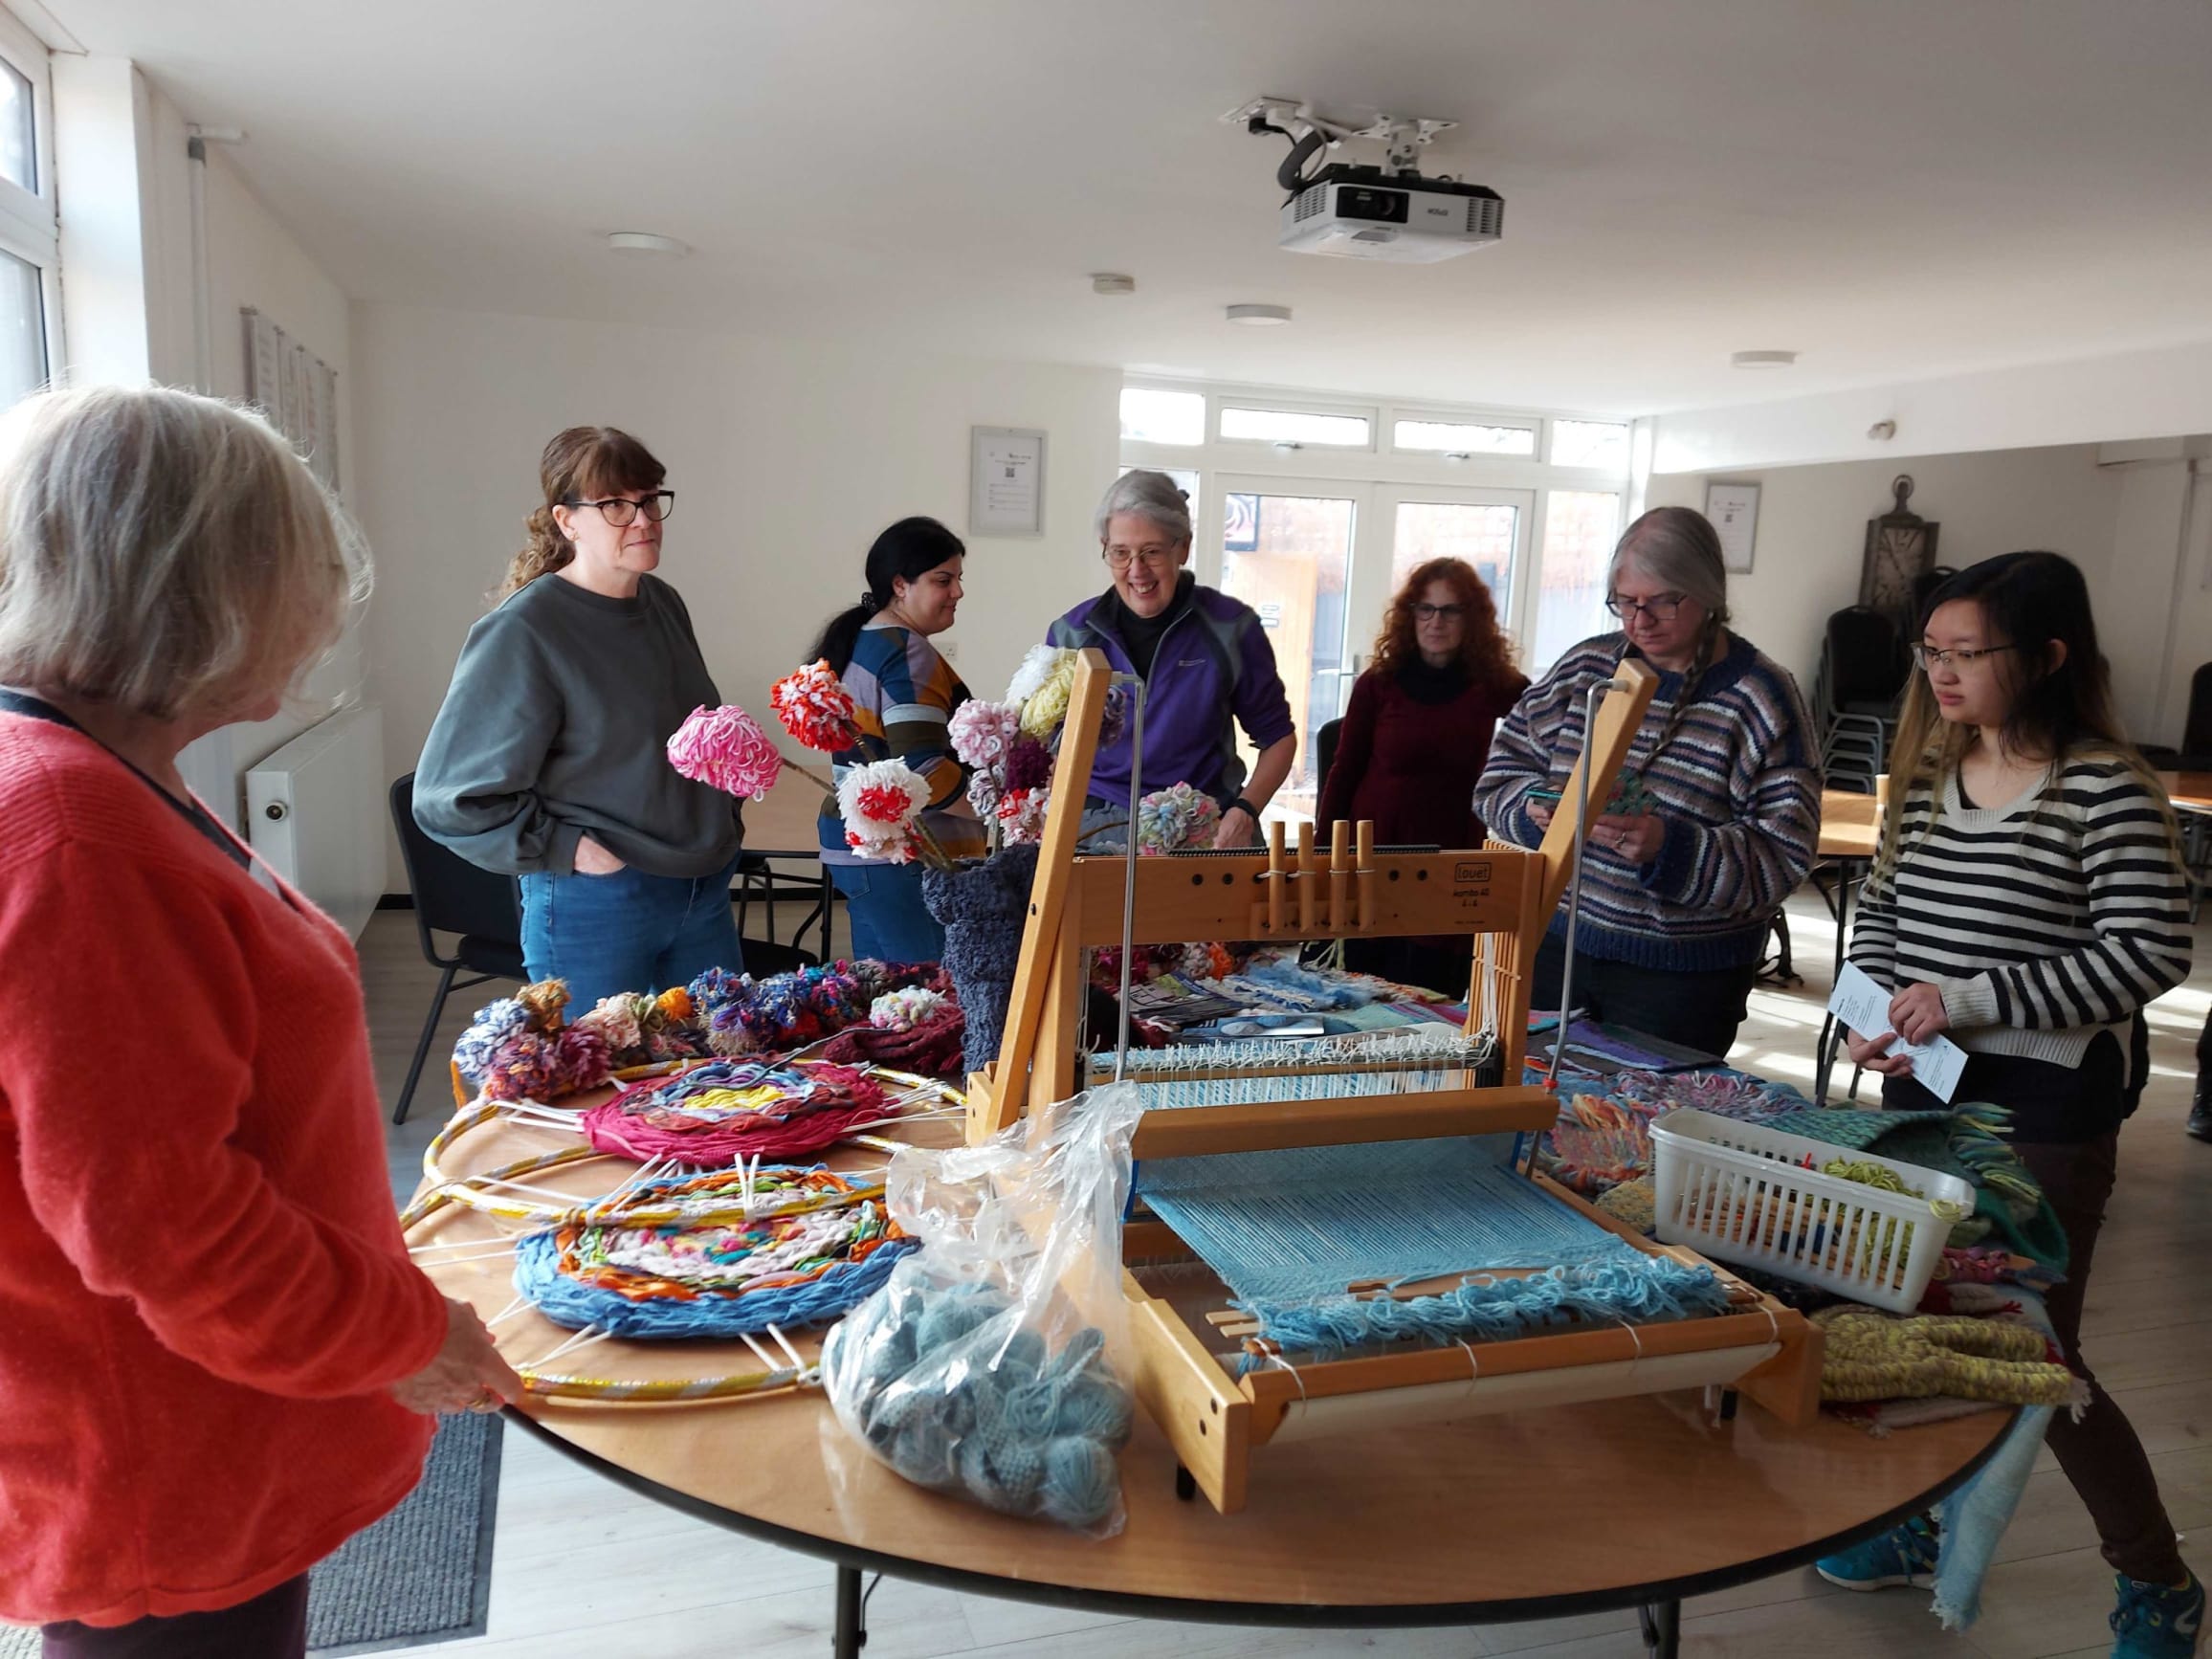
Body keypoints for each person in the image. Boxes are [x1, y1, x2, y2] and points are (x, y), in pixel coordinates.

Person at [0, 386, 521, 1658]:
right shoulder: (77, 834)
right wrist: (405, 1331)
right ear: (201, 587)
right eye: (291, 570)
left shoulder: (105, 777)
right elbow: (170, 1222)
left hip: (205, 1435)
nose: (322, 612)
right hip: (162, 1467)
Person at [1819, 552, 2201, 1650]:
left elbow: (2147, 951)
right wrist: (1883, 1009)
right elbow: (1882, 907)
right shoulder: (1931, 770)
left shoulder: (2101, 785)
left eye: (1963, 653)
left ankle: (2154, 1579)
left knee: (2037, 1353)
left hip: (2044, 1102)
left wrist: (1966, 1000)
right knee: (1914, 1319)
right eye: (1928, 652)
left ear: (2042, 658)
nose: (1937, 673)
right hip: (1930, 1083)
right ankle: (1911, 1530)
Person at [1472, 506, 1820, 1058]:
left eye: (1663, 601)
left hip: (1680, 981)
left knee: (1638, 1132)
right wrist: (1537, 816)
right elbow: (1499, 778)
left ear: (1708, 595)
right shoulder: (1586, 668)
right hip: (1555, 945)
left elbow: (1783, 858)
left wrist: (1669, 846)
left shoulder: (1760, 697)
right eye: (1626, 602)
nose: (1641, 620)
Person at [414, 427, 743, 1009]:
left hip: (700, 887)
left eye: (649, 499)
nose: (642, 519)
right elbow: (449, 798)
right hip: (598, 900)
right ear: (567, 521)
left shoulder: (662, 602)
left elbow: (674, 741)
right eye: (616, 504)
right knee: (596, 1092)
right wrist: (575, 850)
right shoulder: (524, 631)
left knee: (717, 1087)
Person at [1047, 470, 1295, 848]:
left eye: (1152, 551)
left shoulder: (1231, 628)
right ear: (1105, 547)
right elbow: (1046, 746)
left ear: (1183, 548)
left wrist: (1245, 811)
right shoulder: (1072, 634)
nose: (1137, 570)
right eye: (1120, 553)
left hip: (1205, 826)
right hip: (1098, 827)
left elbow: (1278, 738)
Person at [1317, 556, 1528, 994]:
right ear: (1410, 614)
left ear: (1471, 619)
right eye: (1425, 609)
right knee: (1366, 994)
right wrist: (1323, 856)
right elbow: (1345, 770)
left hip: (1450, 861)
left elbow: (1548, 722)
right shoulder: (1377, 684)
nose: (1436, 621)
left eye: (1450, 610)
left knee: (1436, 999)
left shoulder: (1494, 685)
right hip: (1375, 857)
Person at [810, 517, 984, 962]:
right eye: (943, 580)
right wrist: (996, 814)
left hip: (859, 850)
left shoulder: (864, 640)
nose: (958, 592)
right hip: (902, 854)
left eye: (958, 579)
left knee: (889, 1001)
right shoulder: (908, 650)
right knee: (932, 1000)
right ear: (901, 585)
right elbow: (922, 767)